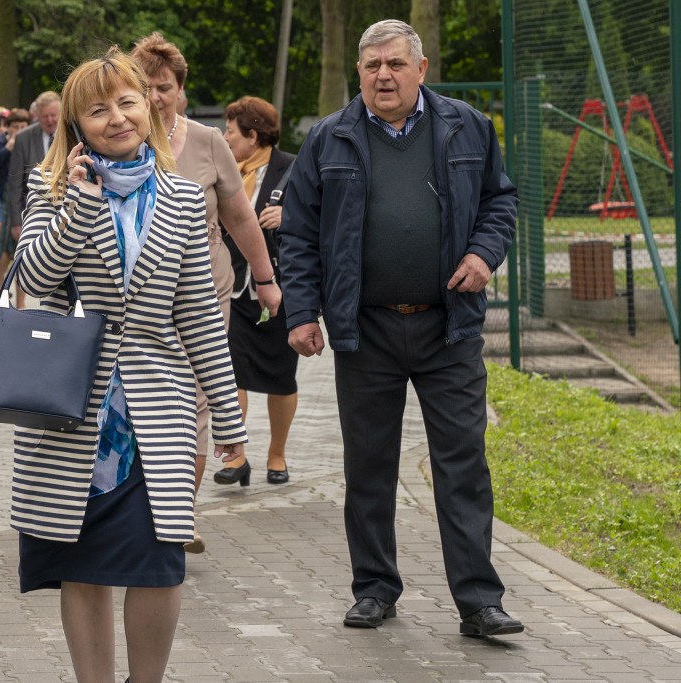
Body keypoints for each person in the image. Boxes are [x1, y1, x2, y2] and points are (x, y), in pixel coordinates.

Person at [277, 19, 522, 638]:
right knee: (369, 465)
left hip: (450, 327)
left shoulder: (467, 125)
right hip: (367, 329)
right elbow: (301, 234)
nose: (382, 75)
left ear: (421, 67)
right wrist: (303, 312)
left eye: (393, 64)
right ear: (357, 74)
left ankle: (479, 602)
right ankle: (375, 589)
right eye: (370, 66)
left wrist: (483, 255)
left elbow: (500, 201)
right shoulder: (329, 138)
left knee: (463, 464)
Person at [13, 46, 247, 683]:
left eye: (128, 101)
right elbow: (34, 275)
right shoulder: (52, 186)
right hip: (72, 409)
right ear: (75, 126)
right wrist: (83, 202)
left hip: (158, 409)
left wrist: (228, 418)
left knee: (157, 561)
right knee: (81, 562)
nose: (117, 118)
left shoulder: (179, 197)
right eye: (97, 110)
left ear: (151, 105)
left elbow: (199, 314)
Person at [131, 32, 281, 554]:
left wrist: (264, 280)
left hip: (201, 292)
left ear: (181, 91)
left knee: (196, 403)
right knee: (138, 405)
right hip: (133, 301)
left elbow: (241, 216)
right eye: (143, 86)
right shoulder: (115, 137)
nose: (153, 97)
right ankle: (134, 509)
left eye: (164, 87)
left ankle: (180, 516)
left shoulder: (208, 143)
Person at [215, 96, 298, 487]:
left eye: (231, 131)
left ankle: (276, 454)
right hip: (233, 289)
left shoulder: (294, 168)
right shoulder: (223, 168)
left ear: (253, 134)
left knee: (281, 376)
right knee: (233, 372)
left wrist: (290, 217)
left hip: (281, 289)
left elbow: (327, 213)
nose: (224, 136)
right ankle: (237, 456)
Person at [6, 90, 60, 308]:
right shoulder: (24, 138)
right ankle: (21, 307)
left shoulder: (75, 134)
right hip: (32, 213)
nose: (50, 120)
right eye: (45, 116)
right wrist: (16, 221)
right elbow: (14, 184)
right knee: (27, 261)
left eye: (54, 115)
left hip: (64, 212)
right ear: (37, 115)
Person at [0, 107, 30, 299]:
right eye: (15, 126)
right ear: (8, 127)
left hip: (23, 202)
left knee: (23, 252)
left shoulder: (30, 144)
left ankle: (21, 304)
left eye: (23, 126)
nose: (19, 130)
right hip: (0, 200)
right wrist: (8, 148)